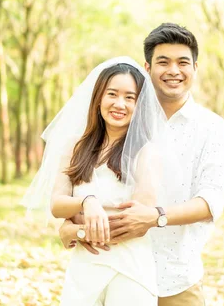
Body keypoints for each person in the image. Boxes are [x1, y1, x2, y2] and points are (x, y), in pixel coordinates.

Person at [60, 23, 224, 305]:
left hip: (175, 277)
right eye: (163, 62)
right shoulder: (120, 118)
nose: (173, 71)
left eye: (182, 62)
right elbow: (90, 185)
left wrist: (156, 216)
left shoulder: (211, 127)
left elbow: (211, 202)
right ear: (147, 68)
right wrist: (72, 228)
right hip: (112, 270)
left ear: (195, 68)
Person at [23, 58, 170, 305]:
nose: (119, 104)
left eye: (130, 97)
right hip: (84, 266)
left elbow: (134, 222)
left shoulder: (146, 152)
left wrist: (76, 230)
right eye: (112, 94)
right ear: (99, 98)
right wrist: (87, 203)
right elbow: (57, 204)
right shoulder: (74, 146)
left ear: (140, 104)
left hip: (129, 267)